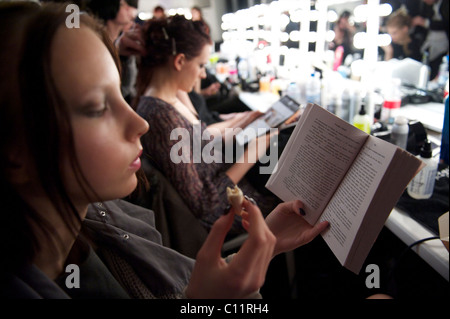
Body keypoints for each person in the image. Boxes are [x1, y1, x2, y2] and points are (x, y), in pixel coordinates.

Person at [0, 1, 330, 299]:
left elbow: (182, 284)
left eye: (119, 94)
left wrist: (262, 244)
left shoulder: (106, 225)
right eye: (97, 107)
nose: (138, 124)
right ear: (12, 150)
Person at [135, 15, 282, 235]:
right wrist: (250, 156)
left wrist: (240, 122)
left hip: (224, 182)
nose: (203, 73)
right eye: (201, 65)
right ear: (179, 61)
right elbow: (204, 206)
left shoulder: (164, 101)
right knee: (285, 197)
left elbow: (196, 138)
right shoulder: (163, 119)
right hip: (222, 209)